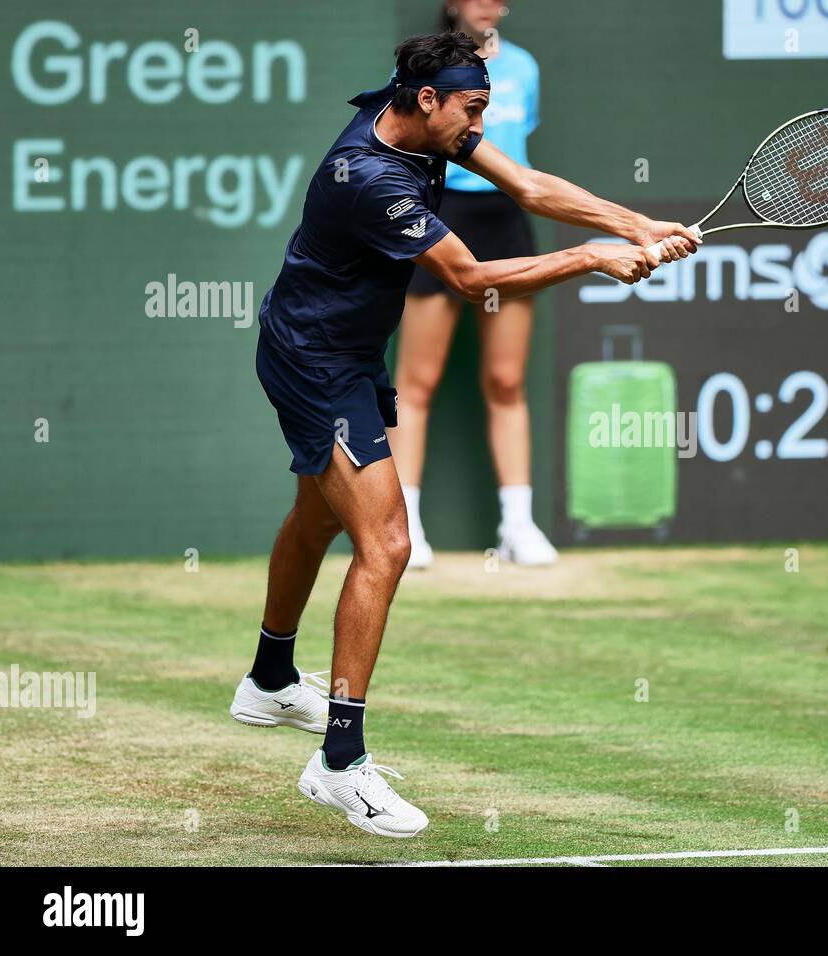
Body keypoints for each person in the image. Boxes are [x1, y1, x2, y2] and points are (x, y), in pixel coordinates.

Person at [230, 30, 698, 838]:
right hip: (315, 361)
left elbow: (526, 184)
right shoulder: (373, 180)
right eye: (472, 111)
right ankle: (340, 762)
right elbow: (471, 278)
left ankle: (271, 678)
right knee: (386, 545)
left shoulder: (427, 118)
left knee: (318, 517)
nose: (479, 126)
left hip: (339, 346)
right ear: (425, 100)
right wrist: (591, 257)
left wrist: (634, 222)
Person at [393, 0, 553, 568]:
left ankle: (517, 525)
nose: (491, 4)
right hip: (440, 215)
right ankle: (405, 525)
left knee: (507, 379)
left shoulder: (525, 68)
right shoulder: (423, 70)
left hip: (505, 219)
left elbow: (516, 150)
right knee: (418, 381)